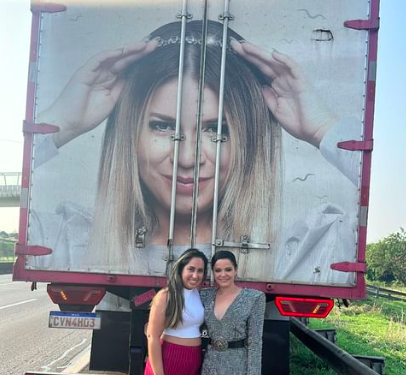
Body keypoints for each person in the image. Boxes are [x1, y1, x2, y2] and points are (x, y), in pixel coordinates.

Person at [30, 19, 360, 284]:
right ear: (130, 133)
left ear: (248, 142)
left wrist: (321, 127)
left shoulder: (301, 255)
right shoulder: (69, 242)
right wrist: (63, 121)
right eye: (162, 126)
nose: (187, 158)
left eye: (218, 130)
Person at [200, 250, 266, 375]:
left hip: (238, 365)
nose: (223, 274)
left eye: (228, 269)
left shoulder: (254, 298)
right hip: (210, 365)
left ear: (235, 270)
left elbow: (255, 342)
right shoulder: (205, 295)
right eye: (218, 270)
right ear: (213, 272)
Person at [144, 248, 208, 375]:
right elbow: (152, 337)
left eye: (200, 271)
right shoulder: (165, 295)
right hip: (170, 359)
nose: (195, 275)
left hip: (193, 360)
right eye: (191, 269)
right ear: (181, 269)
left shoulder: (198, 294)